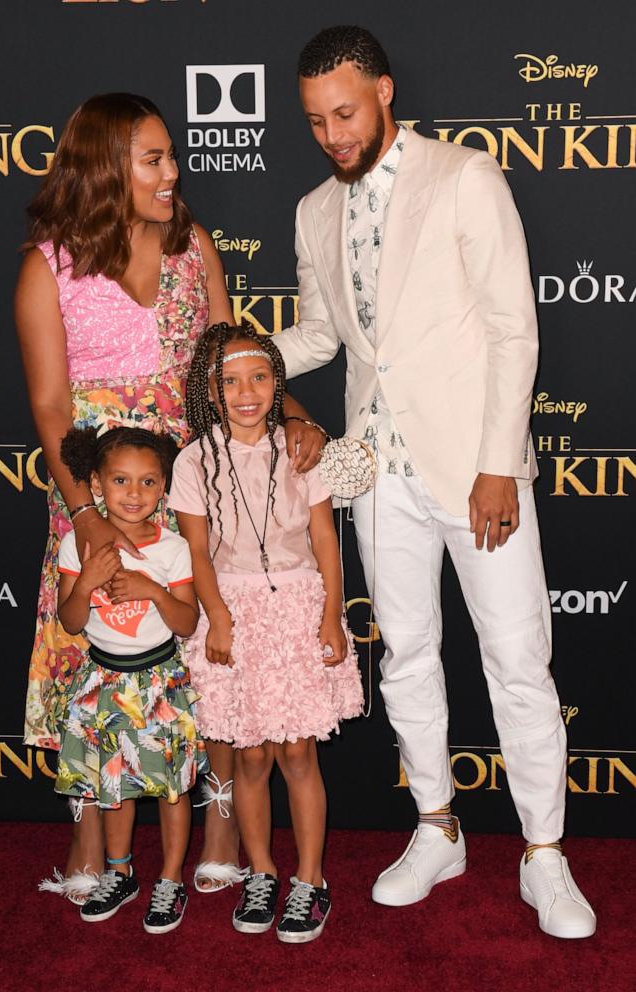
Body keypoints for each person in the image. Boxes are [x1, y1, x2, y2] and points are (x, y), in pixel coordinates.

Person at [273, 26, 596, 939]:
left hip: (472, 469)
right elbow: (323, 336)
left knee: (517, 662)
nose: (333, 134)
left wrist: (500, 464)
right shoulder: (311, 212)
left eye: (344, 112)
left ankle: (544, 855)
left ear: (382, 92)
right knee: (406, 655)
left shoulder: (463, 177)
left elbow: (512, 330)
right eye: (314, 121)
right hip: (377, 473)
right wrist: (243, 353)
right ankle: (436, 828)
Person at [16, 92, 324, 899]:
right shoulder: (47, 265)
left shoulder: (195, 247)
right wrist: (84, 513)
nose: (173, 172)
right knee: (96, 647)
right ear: (103, 169)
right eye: (152, 158)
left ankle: (221, 821)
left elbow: (227, 356)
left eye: (170, 155)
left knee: (199, 646)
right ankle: (93, 836)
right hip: (97, 491)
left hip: (190, 482)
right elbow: (50, 407)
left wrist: (297, 417)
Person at [168, 322, 363, 943]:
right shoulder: (193, 459)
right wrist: (217, 616)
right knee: (250, 757)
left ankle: (310, 880)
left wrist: (331, 614)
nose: (245, 392)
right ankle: (262, 872)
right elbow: (197, 550)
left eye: (259, 377)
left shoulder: (301, 449)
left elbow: (326, 540)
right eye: (229, 382)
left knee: (299, 753)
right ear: (210, 390)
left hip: (299, 605)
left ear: (278, 383)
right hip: (231, 612)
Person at [54, 425, 205, 931]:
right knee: (112, 785)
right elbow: (71, 621)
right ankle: (119, 872)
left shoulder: (174, 549)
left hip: (160, 682)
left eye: (147, 482)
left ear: (163, 487)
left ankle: (169, 880)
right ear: (96, 483)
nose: (134, 494)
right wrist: (88, 584)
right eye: (120, 481)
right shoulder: (79, 544)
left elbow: (186, 623)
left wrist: (153, 590)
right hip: (103, 681)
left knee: (170, 789)